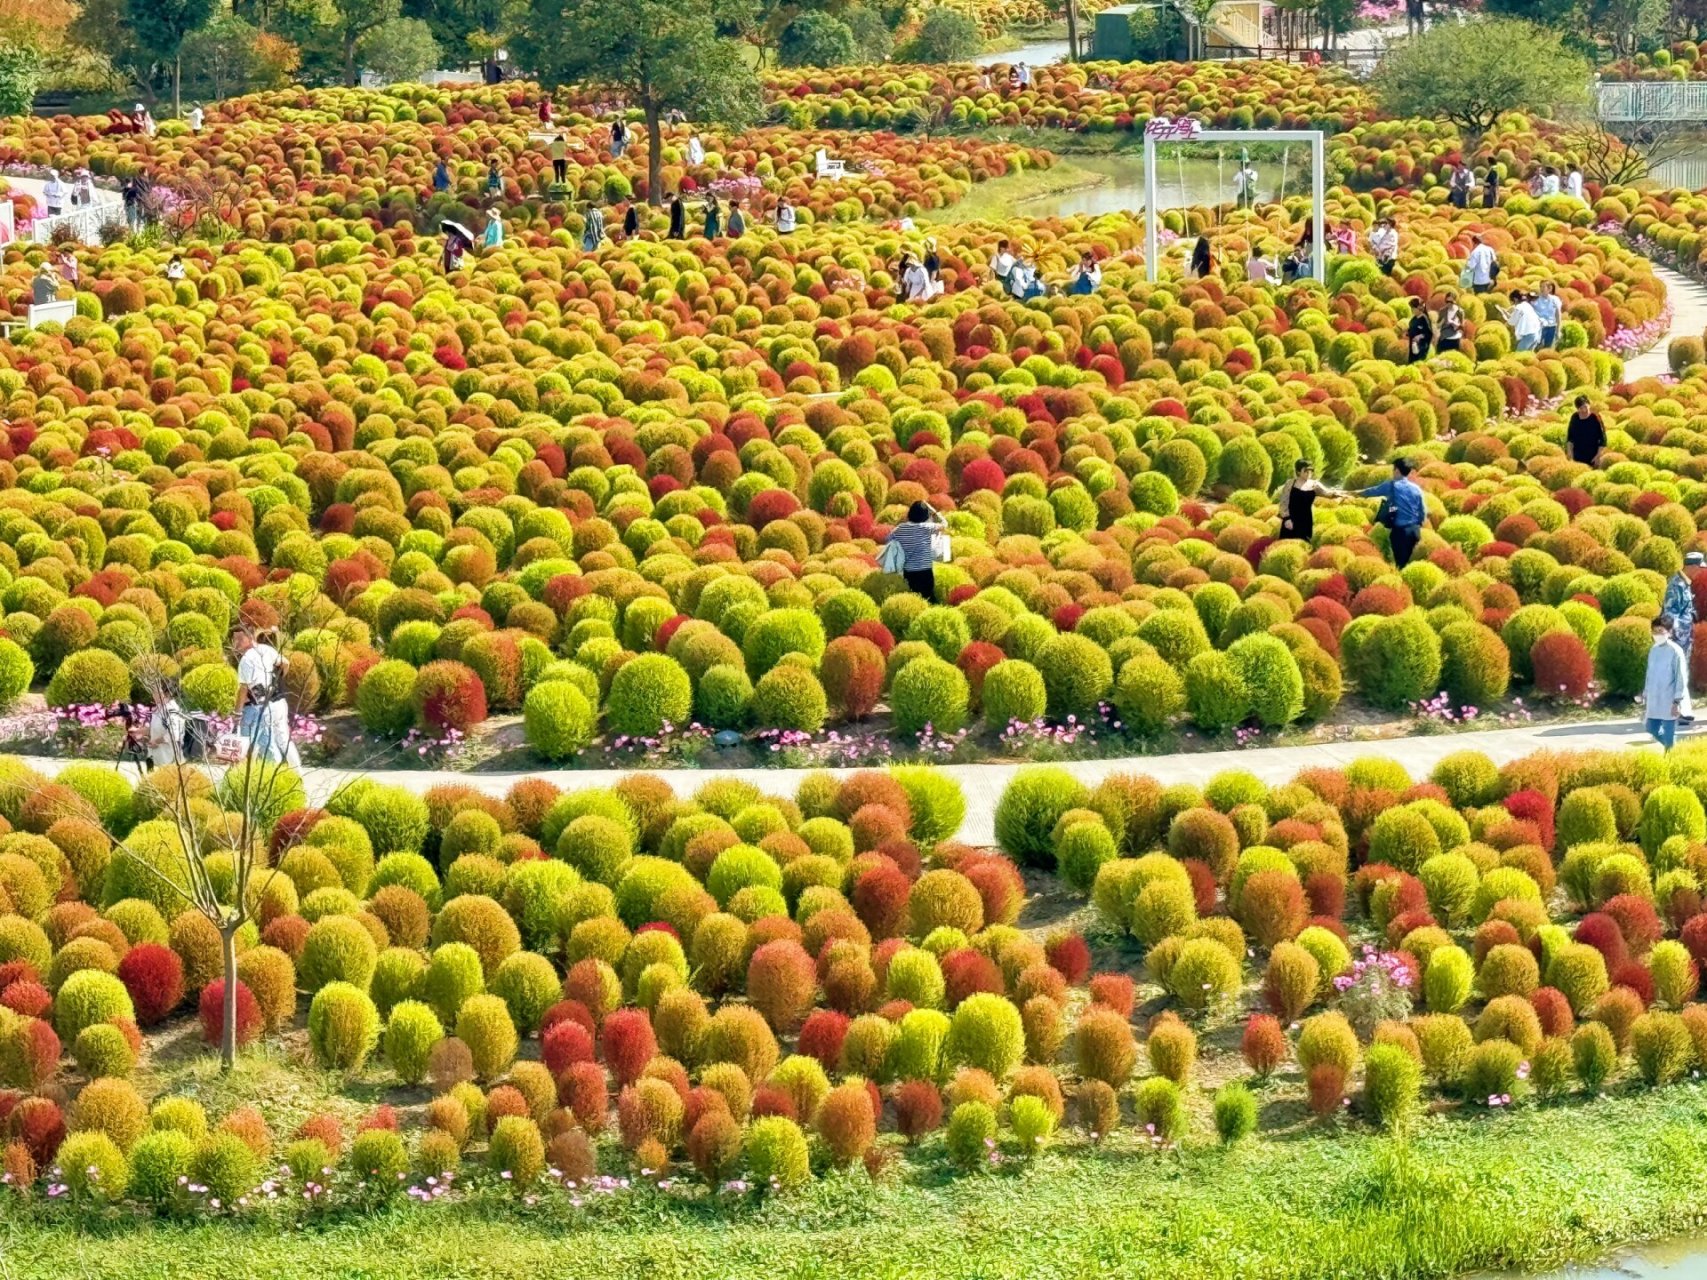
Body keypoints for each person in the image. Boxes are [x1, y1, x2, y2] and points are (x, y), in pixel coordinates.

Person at [234, 629, 298, 765]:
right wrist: (277, 681)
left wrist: (237, 712)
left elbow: (244, 689)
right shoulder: (266, 650)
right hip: (278, 701)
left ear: (250, 638)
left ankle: (263, 773)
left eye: (240, 639)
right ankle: (296, 772)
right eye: (235, 639)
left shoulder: (246, 660)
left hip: (262, 705)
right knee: (282, 740)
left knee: (259, 742)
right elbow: (285, 663)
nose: (236, 643)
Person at [1358, 456, 1426, 569]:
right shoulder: (1416, 489)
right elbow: (1422, 513)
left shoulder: (1392, 485)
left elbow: (1371, 492)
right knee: (1409, 563)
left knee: (1400, 565)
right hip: (1415, 532)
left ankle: (1399, 583)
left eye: (1393, 470)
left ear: (1397, 471)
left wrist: (1350, 493)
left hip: (1400, 533)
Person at [886, 500, 948, 601]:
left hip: (909, 574)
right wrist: (933, 511)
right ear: (925, 515)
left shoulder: (900, 529)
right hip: (925, 573)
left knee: (913, 599)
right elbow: (944, 524)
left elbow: (889, 538)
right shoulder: (927, 527)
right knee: (929, 599)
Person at [1670, 551, 1705, 723]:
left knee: (1683, 674)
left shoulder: (1684, 584)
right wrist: (1680, 632)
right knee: (1679, 675)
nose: (1700, 572)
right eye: (1699, 567)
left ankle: (1682, 711)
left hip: (1684, 638)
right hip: (1678, 639)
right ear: (1691, 566)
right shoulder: (1676, 585)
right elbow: (1670, 615)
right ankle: (1680, 712)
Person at [1645, 614, 1688, 751]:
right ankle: (1673, 750)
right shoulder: (1653, 650)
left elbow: (1681, 677)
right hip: (1654, 699)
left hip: (1669, 699)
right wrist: (1645, 693)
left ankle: (1670, 757)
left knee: (1669, 735)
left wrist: (1677, 701)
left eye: (1661, 631)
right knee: (1651, 728)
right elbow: (1649, 674)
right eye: (1655, 631)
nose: (1657, 635)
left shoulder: (1675, 651)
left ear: (1669, 632)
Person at [1275, 460, 1333, 542]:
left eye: (1310, 470)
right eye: (1305, 470)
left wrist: (1344, 495)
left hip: (1306, 521)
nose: (1308, 473)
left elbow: (1328, 493)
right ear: (1298, 472)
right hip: (1290, 521)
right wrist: (1287, 518)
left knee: (1304, 544)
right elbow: (1284, 502)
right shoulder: (1290, 484)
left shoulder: (1314, 484)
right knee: (1288, 544)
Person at [147, 679, 188, 770]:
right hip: (156, 757)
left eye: (156, 691)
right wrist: (138, 732)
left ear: (166, 694)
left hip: (169, 759)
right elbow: (156, 727)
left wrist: (156, 741)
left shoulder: (171, 710)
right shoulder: (160, 708)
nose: (153, 694)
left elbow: (173, 735)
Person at [1567, 395, 1607, 466]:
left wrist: (1598, 456)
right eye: (1581, 408)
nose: (1584, 410)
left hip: (1593, 458)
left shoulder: (1596, 417)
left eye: (1585, 407)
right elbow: (1570, 438)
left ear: (1589, 405)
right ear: (1577, 409)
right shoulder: (1574, 418)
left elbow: (1603, 439)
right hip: (1577, 458)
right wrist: (1570, 454)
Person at [1534, 280, 1561, 348]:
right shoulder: (1535, 299)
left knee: (1548, 347)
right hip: (1540, 327)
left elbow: (1558, 315)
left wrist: (1558, 330)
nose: (1541, 289)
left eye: (1543, 287)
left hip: (1551, 327)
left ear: (1550, 289)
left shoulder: (1555, 300)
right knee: (1537, 347)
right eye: (1540, 287)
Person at [1407, 296, 1433, 363]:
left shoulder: (1425, 319)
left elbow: (1429, 333)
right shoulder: (1413, 319)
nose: (1412, 310)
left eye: (1413, 308)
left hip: (1421, 347)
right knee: (1412, 362)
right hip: (1412, 346)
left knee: (1419, 362)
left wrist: (1419, 336)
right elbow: (1411, 330)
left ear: (1419, 308)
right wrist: (1407, 333)